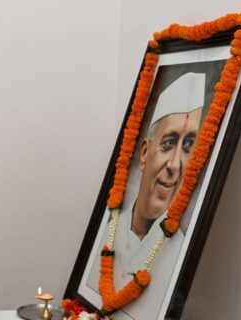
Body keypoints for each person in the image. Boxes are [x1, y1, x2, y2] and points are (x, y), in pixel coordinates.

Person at [86, 72, 205, 320]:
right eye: (169, 143)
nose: (175, 164)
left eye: (187, 146)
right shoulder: (107, 231)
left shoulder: (180, 252)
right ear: (143, 153)